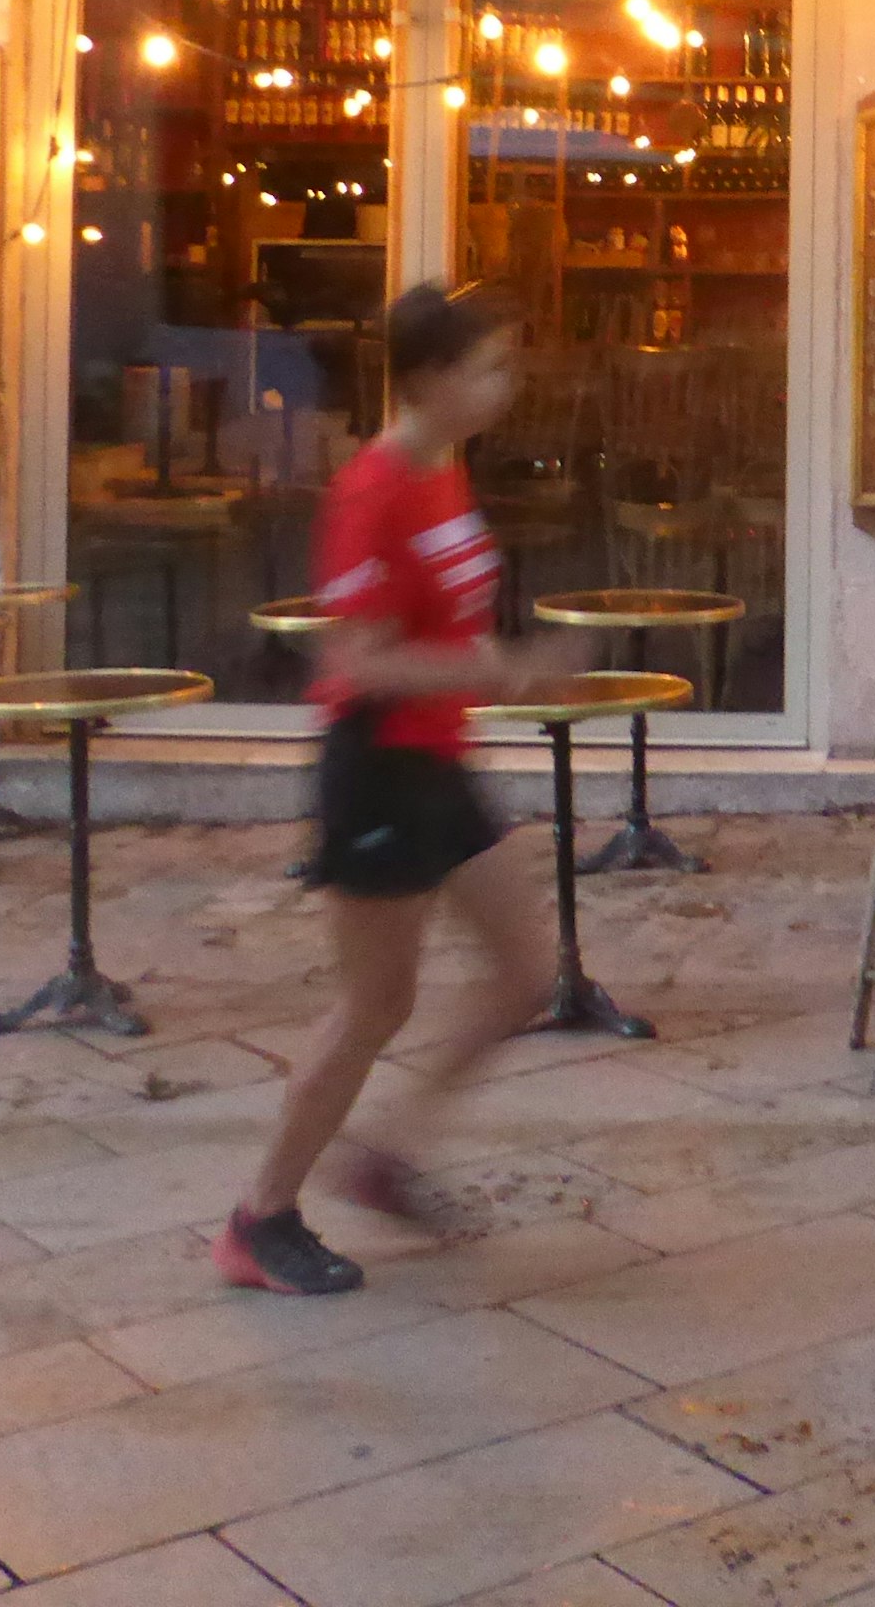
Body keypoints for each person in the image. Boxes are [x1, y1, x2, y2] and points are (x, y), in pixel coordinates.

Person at [217, 281, 564, 1296]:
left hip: (436, 762)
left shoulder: (442, 471)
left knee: (523, 972)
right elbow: (357, 659)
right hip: (376, 764)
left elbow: (443, 624)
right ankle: (259, 1217)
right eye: (488, 367)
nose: (505, 385)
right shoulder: (372, 489)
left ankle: (385, 1156)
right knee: (375, 1001)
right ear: (428, 380)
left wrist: (496, 664)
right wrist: (497, 674)